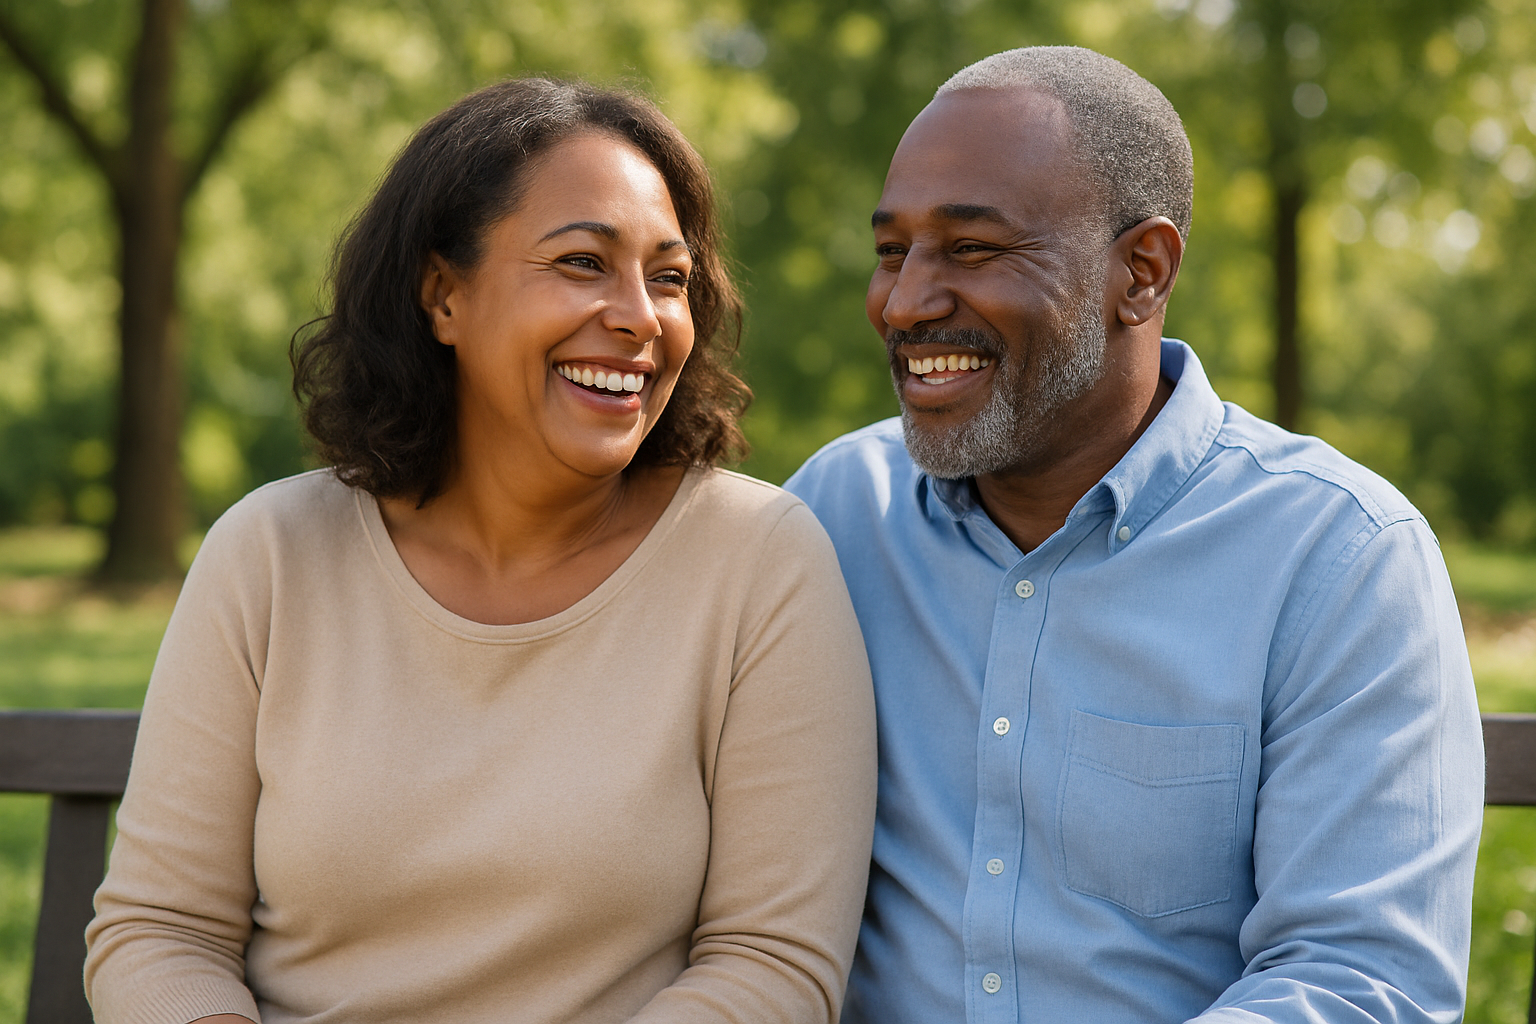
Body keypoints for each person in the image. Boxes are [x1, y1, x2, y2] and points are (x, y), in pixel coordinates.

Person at [84, 78, 876, 1024]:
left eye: (668, 278)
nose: (639, 317)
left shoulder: (758, 562)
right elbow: (160, 933)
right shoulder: (271, 555)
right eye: (584, 263)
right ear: (442, 296)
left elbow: (772, 964)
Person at [786, 46, 1483, 1024]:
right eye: (892, 251)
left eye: (972, 249)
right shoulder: (834, 515)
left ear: (1142, 273)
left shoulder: (1339, 556)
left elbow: (1362, 980)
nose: (904, 303)